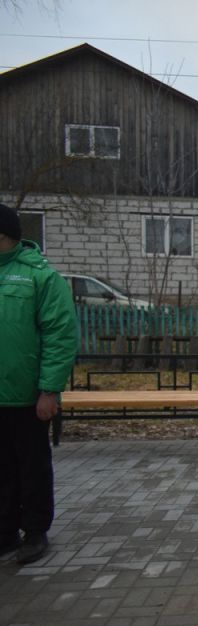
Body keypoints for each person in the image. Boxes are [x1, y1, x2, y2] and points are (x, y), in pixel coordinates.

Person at [0, 203, 78, 565]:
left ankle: (34, 530)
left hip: (26, 395)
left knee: (31, 465)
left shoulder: (40, 277)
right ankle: (5, 531)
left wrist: (49, 389)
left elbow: (60, 334)